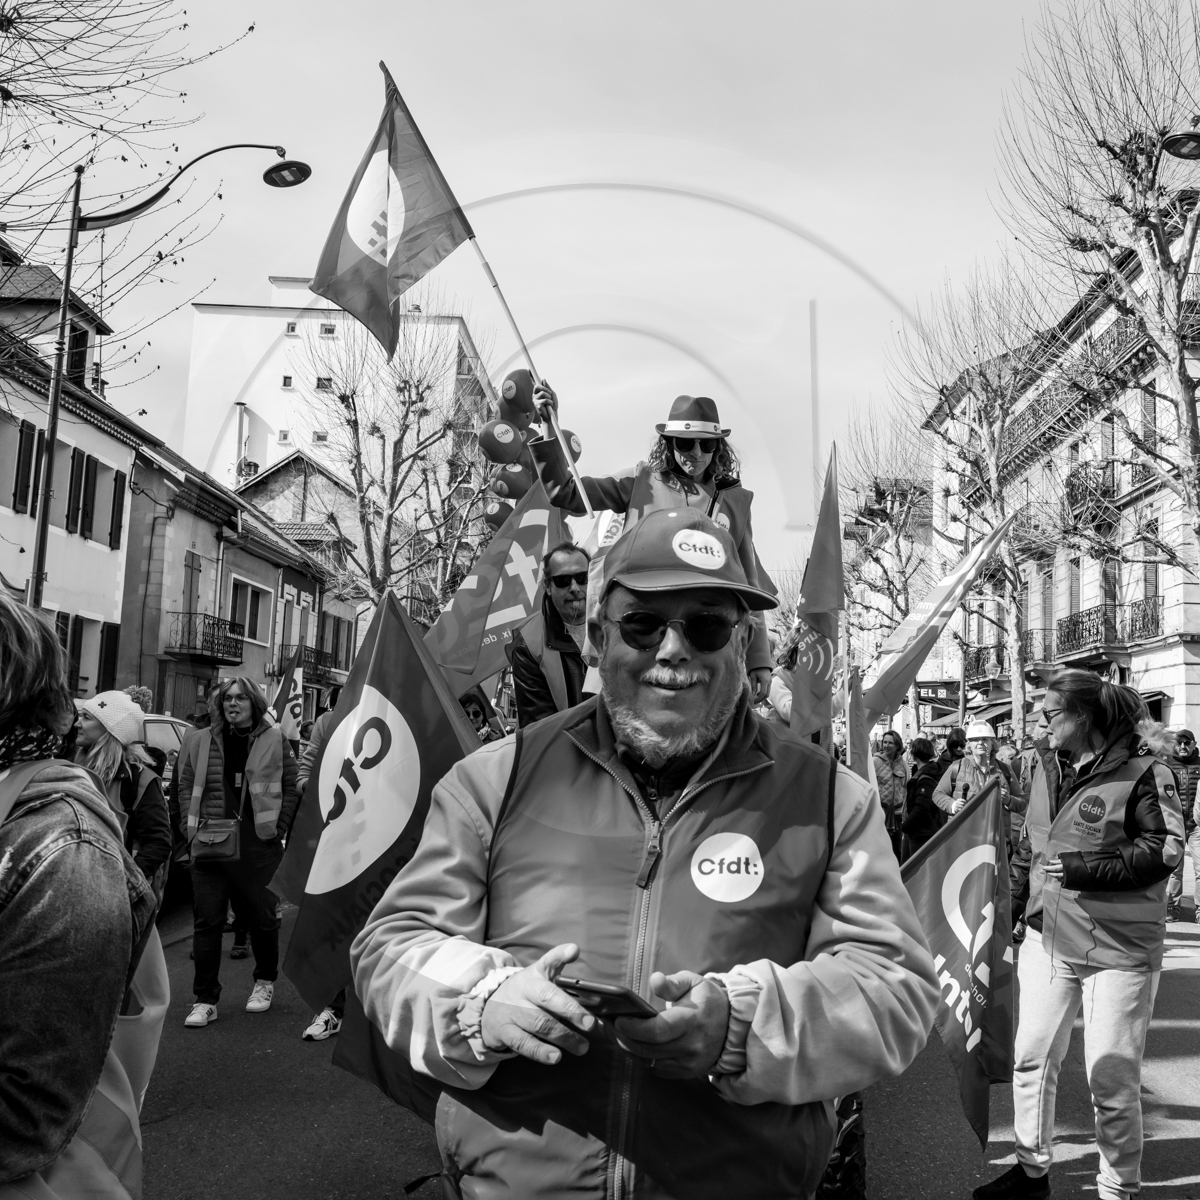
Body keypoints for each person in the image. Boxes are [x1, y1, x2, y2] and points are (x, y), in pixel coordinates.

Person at [351, 508, 938, 1198]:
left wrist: (741, 1024)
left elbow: (895, 989)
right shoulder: (494, 779)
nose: (674, 648)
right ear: (598, 639)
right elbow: (389, 947)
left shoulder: (830, 798)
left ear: (740, 643)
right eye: (644, 623)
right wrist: (482, 999)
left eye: (707, 625)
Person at [977, 671, 1184, 1200]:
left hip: (1121, 952)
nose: (1040, 723)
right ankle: (1030, 1173)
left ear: (1082, 718)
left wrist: (1082, 868)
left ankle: (1117, 1189)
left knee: (1111, 1082)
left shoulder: (1147, 771)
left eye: (1050, 714)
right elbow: (1031, 847)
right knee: (1032, 1058)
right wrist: (1011, 914)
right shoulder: (1046, 767)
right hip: (1049, 939)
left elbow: (1166, 852)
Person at [0, 590, 163, 1197]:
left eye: (96, 716)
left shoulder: (63, 847)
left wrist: (136, 887)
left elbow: (28, 1114)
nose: (84, 719)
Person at [532, 386, 776, 702]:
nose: (697, 453)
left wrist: (759, 660)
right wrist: (548, 425)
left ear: (719, 447)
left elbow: (748, 585)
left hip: (701, 638)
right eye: (686, 443)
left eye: (708, 444)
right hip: (640, 631)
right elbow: (566, 492)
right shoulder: (642, 482)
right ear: (669, 443)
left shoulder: (736, 503)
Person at [178, 676, 299, 1028]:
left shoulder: (274, 738)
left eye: (241, 698)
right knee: (208, 921)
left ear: (254, 703)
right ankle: (205, 999)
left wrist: (279, 829)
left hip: (258, 843)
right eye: (228, 698)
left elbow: (291, 787)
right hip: (210, 840)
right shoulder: (199, 739)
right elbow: (184, 785)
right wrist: (189, 833)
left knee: (263, 918)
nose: (233, 704)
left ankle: (264, 982)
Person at [74, 690, 173, 898]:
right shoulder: (72, 770)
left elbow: (159, 841)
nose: (77, 723)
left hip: (114, 894)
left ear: (109, 729)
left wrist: (125, 884)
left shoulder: (140, 781)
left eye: (86, 717)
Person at [509, 541, 592, 726]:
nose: (575, 588)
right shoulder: (528, 645)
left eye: (582, 578)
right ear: (547, 586)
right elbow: (539, 726)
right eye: (563, 580)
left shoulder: (616, 623)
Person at [933, 720, 1016, 835]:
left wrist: (1009, 800)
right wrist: (952, 805)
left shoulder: (1005, 769)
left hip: (996, 839)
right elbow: (938, 794)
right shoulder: (956, 767)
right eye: (975, 739)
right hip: (964, 838)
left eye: (985, 739)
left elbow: (1023, 801)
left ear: (993, 743)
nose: (980, 743)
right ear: (969, 745)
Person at [1166, 728, 1200, 922]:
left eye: (1187, 743)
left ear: (1194, 744)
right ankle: (1172, 908)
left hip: (1197, 827)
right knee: (1173, 870)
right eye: (1179, 743)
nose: (1183, 746)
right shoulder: (1166, 765)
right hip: (1175, 825)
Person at [900, 736, 945, 858]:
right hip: (923, 830)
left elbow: (922, 808)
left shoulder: (925, 777)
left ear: (914, 754)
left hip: (921, 833)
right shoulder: (929, 772)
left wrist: (905, 826)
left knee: (911, 871)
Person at [873, 729, 909, 858]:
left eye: (890, 743)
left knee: (896, 848)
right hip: (880, 812)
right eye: (884, 742)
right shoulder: (875, 761)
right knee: (879, 847)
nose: (886, 745)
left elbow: (906, 786)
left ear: (897, 745)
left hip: (897, 813)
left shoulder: (903, 764)